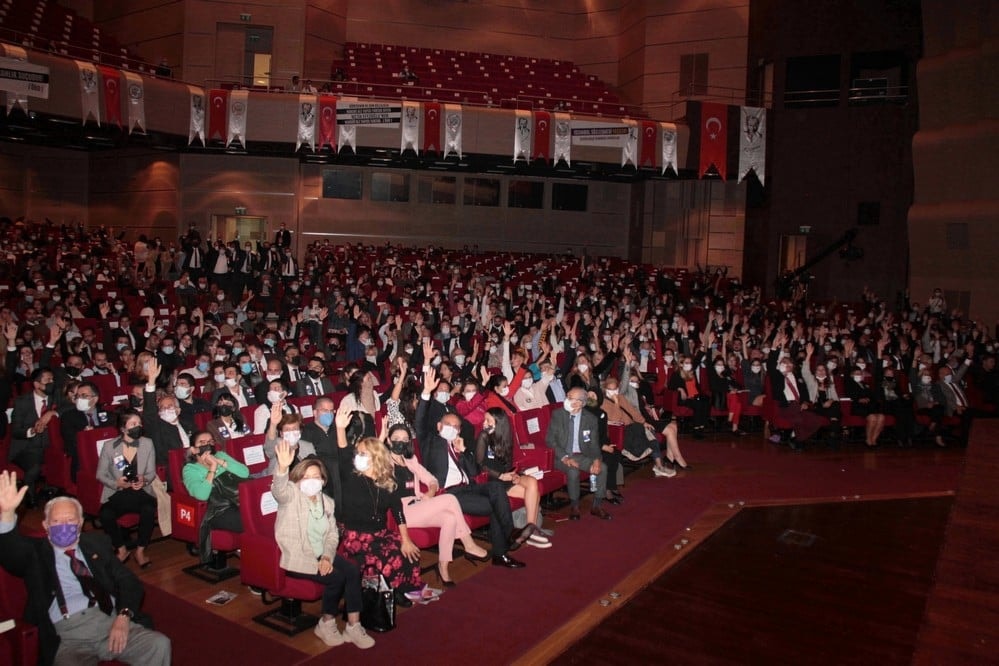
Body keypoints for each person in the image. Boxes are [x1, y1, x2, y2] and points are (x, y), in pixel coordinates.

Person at [0, 474, 171, 666]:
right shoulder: (36, 552)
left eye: (70, 520)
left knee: (159, 644)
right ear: (46, 525)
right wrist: (7, 515)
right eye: (57, 522)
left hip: (109, 620)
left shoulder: (96, 543)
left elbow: (128, 581)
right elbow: (11, 556)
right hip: (68, 635)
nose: (64, 527)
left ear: (80, 524)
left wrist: (123, 616)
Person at [414, 369, 526, 569]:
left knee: (497, 488)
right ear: (439, 426)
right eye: (448, 425)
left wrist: (464, 452)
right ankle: (503, 547)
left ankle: (505, 543)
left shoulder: (461, 444)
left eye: (456, 426)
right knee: (496, 505)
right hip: (450, 493)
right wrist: (426, 393)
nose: (453, 429)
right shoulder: (429, 442)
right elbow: (420, 421)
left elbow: (474, 472)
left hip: (469, 487)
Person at [271, 441, 374, 650]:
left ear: (323, 480)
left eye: (316, 477)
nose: (311, 481)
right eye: (306, 477)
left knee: (352, 570)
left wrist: (327, 556)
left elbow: (332, 536)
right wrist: (282, 468)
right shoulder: (292, 496)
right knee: (336, 577)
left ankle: (354, 625)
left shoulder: (327, 502)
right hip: (299, 556)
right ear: (298, 479)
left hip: (322, 554)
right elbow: (279, 490)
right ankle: (326, 623)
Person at [384, 422, 490, 585]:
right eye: (396, 438)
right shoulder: (384, 462)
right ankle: (468, 544)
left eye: (405, 439)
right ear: (389, 440)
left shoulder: (410, 460)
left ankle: (443, 566)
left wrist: (431, 492)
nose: (400, 442)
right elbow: (373, 457)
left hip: (418, 505)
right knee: (450, 499)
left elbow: (432, 480)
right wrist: (381, 440)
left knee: (449, 518)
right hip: (402, 512)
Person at [333, 422, 423, 604]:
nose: (358, 457)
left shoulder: (387, 481)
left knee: (408, 549)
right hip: (356, 536)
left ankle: (400, 589)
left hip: (380, 534)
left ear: (376, 457)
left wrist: (406, 539)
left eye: (363, 454)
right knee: (389, 555)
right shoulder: (351, 478)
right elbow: (343, 453)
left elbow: (398, 511)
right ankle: (395, 589)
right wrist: (340, 428)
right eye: (358, 453)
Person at [474, 408, 551, 547]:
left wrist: (513, 475)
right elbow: (480, 464)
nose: (484, 423)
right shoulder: (483, 436)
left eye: (488, 420)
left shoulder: (506, 435)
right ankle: (531, 531)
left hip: (507, 475)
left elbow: (507, 463)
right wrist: (501, 476)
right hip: (494, 479)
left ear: (498, 422)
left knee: (532, 483)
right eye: (484, 420)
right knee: (533, 493)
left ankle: (529, 529)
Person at [96, 410, 157, 568]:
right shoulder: (109, 446)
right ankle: (121, 549)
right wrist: (117, 483)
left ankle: (140, 551)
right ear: (123, 428)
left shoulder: (147, 443)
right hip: (118, 492)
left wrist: (143, 480)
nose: (138, 427)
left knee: (149, 509)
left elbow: (151, 473)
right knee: (105, 514)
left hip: (141, 491)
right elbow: (100, 474)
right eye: (133, 424)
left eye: (139, 423)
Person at [182, 431, 249, 563]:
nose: (207, 446)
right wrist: (212, 468)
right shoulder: (190, 469)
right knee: (249, 521)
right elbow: (201, 495)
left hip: (238, 501)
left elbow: (245, 473)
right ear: (193, 450)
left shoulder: (221, 455)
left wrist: (218, 461)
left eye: (210, 442)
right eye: (202, 443)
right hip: (218, 510)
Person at [547, 387, 611, 520]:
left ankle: (597, 505)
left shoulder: (590, 418)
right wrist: (565, 458)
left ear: (580, 403)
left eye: (570, 398)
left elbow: (594, 442)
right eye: (567, 396)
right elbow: (550, 440)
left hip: (581, 455)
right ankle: (575, 506)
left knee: (603, 468)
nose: (567, 400)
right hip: (561, 456)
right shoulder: (558, 415)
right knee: (573, 471)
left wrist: (597, 460)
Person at [9, 366, 56, 506]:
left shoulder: (56, 398)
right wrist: (32, 430)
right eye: (48, 380)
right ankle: (29, 497)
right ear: (36, 384)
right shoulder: (22, 402)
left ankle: (50, 492)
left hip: (48, 446)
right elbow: (16, 431)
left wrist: (52, 413)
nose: (52, 383)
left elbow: (70, 405)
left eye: (52, 380)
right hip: (26, 447)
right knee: (34, 466)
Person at [264, 408, 316, 476]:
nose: (291, 432)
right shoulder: (277, 445)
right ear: (281, 433)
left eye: (295, 429)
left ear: (300, 431)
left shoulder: (308, 446)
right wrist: (273, 424)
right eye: (287, 429)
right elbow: (270, 442)